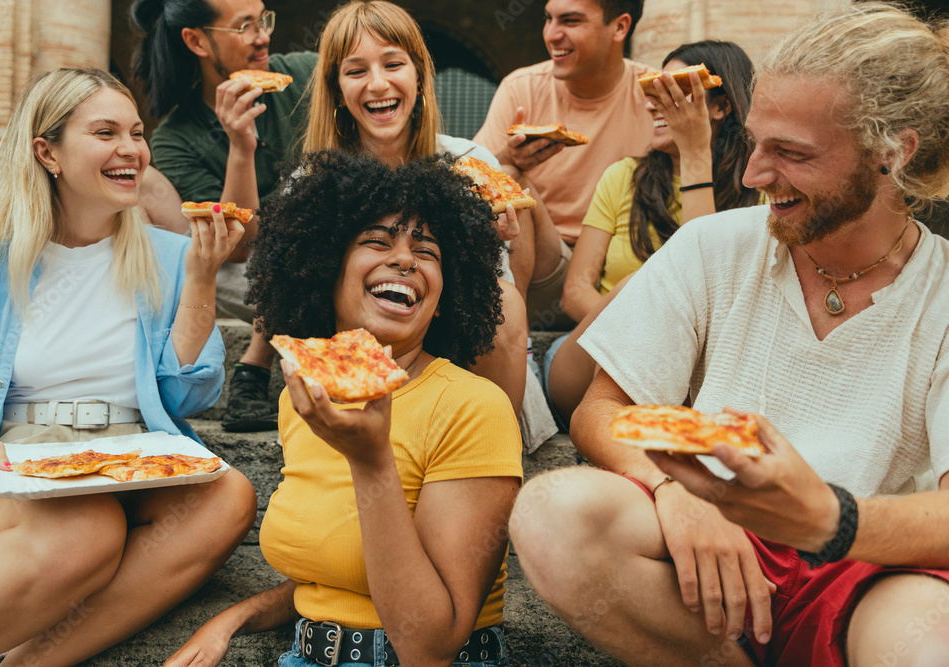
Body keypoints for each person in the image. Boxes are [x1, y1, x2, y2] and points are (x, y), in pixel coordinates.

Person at [509, 3, 949, 665]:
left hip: (872, 566)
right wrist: (675, 487)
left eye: (791, 153)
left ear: (892, 153)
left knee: (926, 642)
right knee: (550, 512)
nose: (751, 175)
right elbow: (601, 409)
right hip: (716, 540)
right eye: (755, 141)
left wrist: (830, 518)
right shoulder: (715, 244)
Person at [0, 68, 257, 666]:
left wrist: (198, 279)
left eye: (137, 133)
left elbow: (189, 397)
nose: (131, 150)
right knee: (87, 527)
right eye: (106, 132)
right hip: (17, 462)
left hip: (133, 453)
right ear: (48, 153)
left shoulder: (173, 256)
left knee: (229, 497)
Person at [167, 150, 523, 667]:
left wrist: (370, 459)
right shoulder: (301, 398)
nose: (405, 259)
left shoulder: (472, 407)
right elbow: (340, 574)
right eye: (377, 241)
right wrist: (234, 618)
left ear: (445, 296)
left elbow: (429, 645)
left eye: (427, 251)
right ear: (326, 269)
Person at [295, 0, 556, 448]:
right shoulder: (311, 179)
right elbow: (298, 298)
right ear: (337, 89)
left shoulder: (472, 164)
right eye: (356, 71)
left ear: (418, 75)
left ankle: (487, 446)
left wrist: (482, 250)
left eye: (393, 63)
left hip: (453, 337)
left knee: (506, 301)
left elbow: (493, 302)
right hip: (351, 345)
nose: (378, 84)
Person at [546, 40, 761, 426]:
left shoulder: (760, 192)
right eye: (650, 91)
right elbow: (575, 289)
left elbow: (709, 297)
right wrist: (645, 317)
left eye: (673, 90)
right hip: (588, 355)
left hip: (699, 370)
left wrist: (696, 154)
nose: (651, 103)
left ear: (721, 105)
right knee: (639, 286)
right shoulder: (623, 176)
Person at [131, 0, 318, 432]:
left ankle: (253, 364)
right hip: (244, 273)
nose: (263, 36)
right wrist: (240, 145)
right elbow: (240, 247)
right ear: (196, 40)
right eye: (245, 26)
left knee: (310, 182)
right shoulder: (178, 139)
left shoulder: (306, 75)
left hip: (330, 250)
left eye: (264, 19)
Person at [474, 0, 652, 325]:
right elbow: (470, 178)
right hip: (548, 263)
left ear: (620, 27)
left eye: (570, 21)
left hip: (626, 264)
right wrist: (508, 158)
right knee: (509, 176)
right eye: (548, 19)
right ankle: (515, 333)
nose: (552, 34)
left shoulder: (653, 94)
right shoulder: (521, 87)